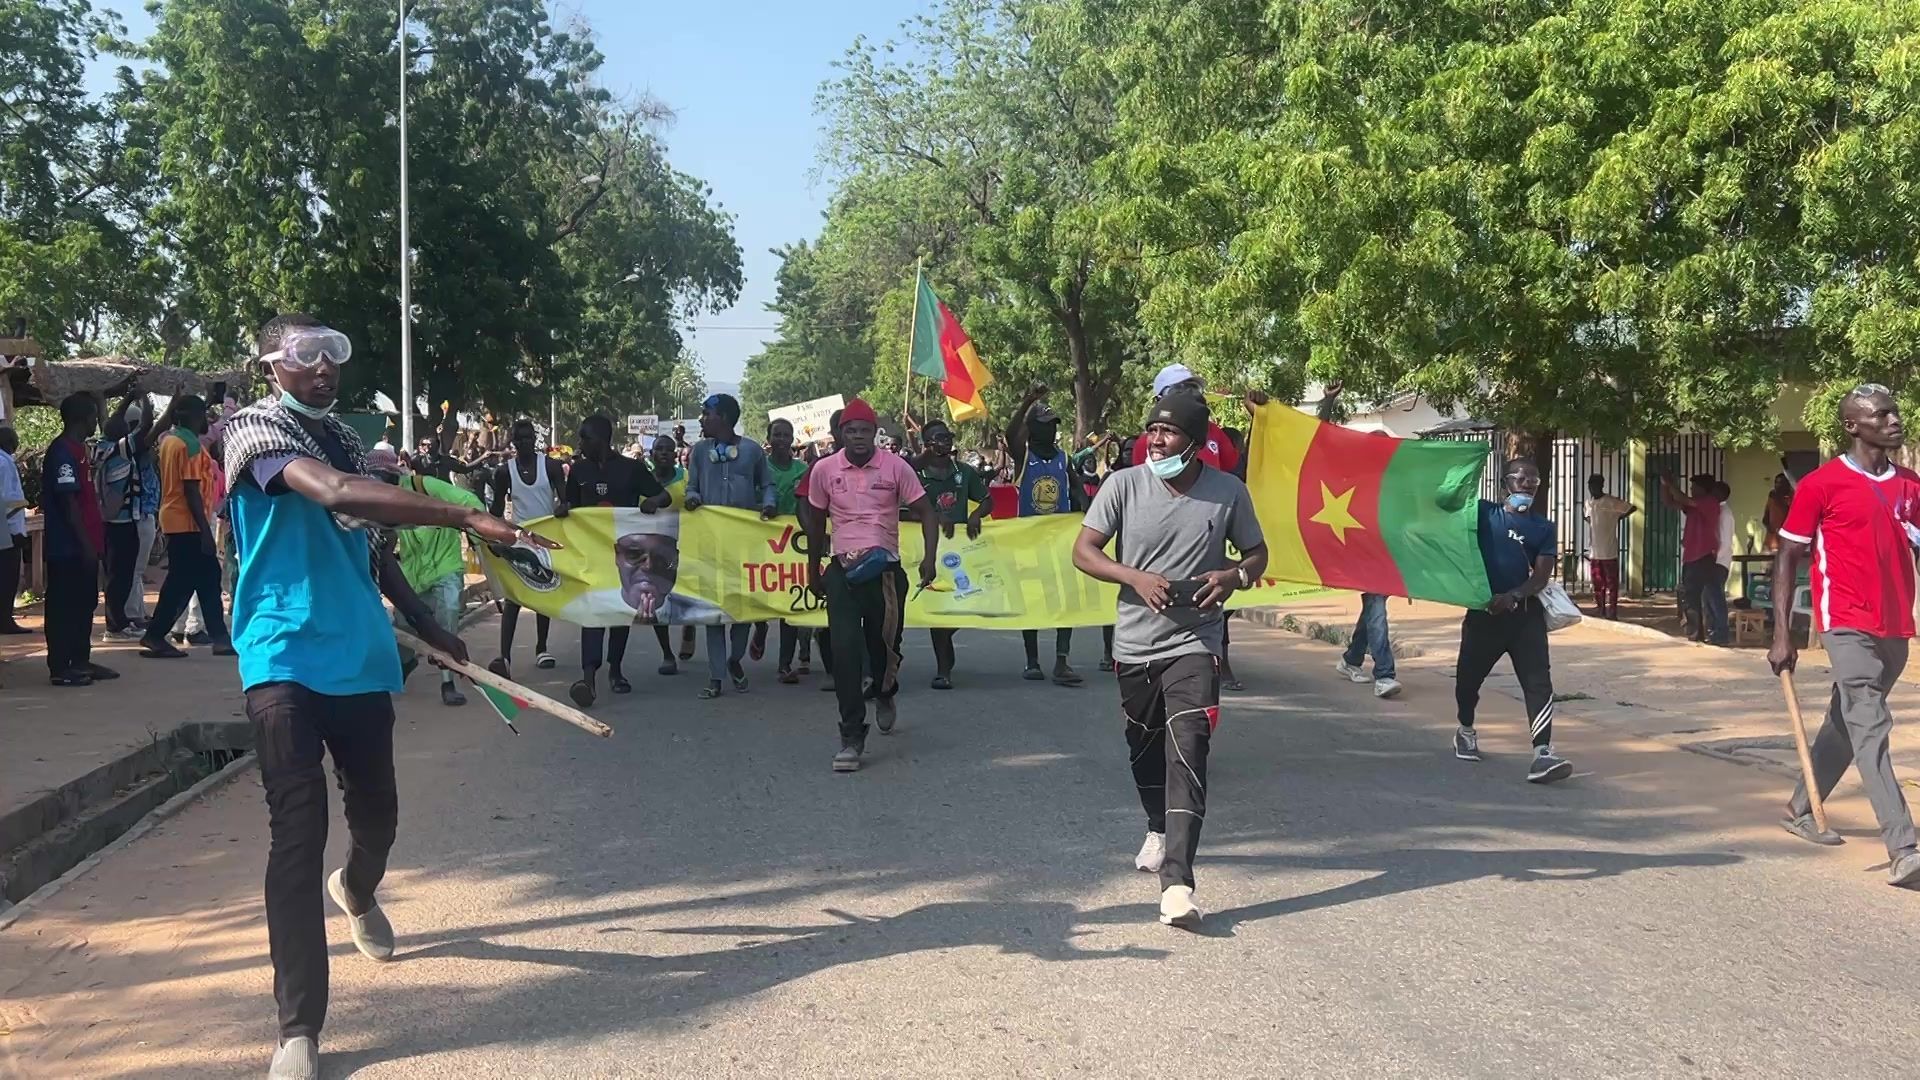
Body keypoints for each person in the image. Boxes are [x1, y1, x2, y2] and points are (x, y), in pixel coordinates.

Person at [224, 314, 546, 1080]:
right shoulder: (252, 433)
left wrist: (433, 625)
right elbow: (336, 494)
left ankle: (358, 890)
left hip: (363, 658)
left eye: (333, 352)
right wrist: (467, 514)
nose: (323, 368)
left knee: (379, 818)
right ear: (271, 365)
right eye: (305, 357)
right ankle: (297, 1028)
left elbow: (372, 542)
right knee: (295, 833)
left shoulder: (342, 439)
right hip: (281, 654)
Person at [1071, 391, 1268, 930]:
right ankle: (1157, 825)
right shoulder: (1123, 485)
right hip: (1135, 644)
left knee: (1190, 752)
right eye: (1151, 432)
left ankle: (1177, 883)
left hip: (1196, 644)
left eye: (1169, 433)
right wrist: (1134, 577)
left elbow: (1257, 554)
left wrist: (1234, 577)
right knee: (1143, 750)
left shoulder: (1228, 492)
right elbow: (1083, 551)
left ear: (1197, 440)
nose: (1155, 442)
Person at [1768, 384, 1920, 886]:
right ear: (1853, 426)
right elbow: (1788, 557)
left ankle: (1799, 805)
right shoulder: (1820, 484)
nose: (1895, 421)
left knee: (1846, 722)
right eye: (1882, 415)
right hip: (1845, 621)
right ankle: (1903, 844)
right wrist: (1782, 633)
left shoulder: (1910, 486)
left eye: (1896, 412)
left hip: (1896, 626)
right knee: (1871, 724)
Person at [805, 398, 938, 772]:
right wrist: (813, 568)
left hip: (885, 574)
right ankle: (850, 737)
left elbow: (927, 511)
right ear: (841, 434)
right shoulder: (824, 469)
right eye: (852, 431)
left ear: (874, 433)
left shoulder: (896, 467)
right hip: (842, 573)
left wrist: (929, 558)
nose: (859, 437)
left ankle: (884, 691)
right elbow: (816, 522)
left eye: (865, 430)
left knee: (885, 648)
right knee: (844, 650)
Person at [1453, 459, 1574, 783]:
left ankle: (1542, 753)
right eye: (1520, 478)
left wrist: (1515, 596)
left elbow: (1542, 576)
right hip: (1484, 615)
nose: (1527, 484)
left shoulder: (1543, 527)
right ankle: (1465, 729)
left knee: (1538, 684)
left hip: (1524, 618)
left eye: (1533, 479)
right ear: (1506, 482)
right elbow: (1445, 504)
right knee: (1467, 681)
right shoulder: (1483, 513)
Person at [566, 415, 669, 707]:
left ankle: (616, 669)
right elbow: (570, 506)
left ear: (600, 439)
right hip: (590, 554)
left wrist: (653, 503)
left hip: (626, 556)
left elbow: (663, 497)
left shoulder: (632, 469)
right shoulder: (578, 469)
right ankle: (588, 677)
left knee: (620, 611)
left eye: (584, 438)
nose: (581, 444)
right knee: (592, 613)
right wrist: (563, 508)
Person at [366, 448, 483, 706]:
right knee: (404, 629)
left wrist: (476, 539)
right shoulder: (380, 503)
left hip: (445, 565)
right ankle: (401, 671)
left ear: (392, 475)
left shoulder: (425, 486)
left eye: (381, 481)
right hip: (414, 574)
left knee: (447, 617)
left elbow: (470, 503)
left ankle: (448, 682)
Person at [683, 393, 775, 699]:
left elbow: (767, 484)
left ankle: (735, 659)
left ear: (722, 417)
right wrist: (693, 498)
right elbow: (692, 486)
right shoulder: (698, 452)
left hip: (744, 544)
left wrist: (769, 505)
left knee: (742, 607)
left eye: (706, 414)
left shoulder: (751, 451)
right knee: (711, 611)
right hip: (709, 543)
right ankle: (716, 675)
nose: (702, 420)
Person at [1005, 382, 1088, 685]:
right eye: (1044, 426)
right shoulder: (1023, 457)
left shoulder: (1064, 458)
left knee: (1064, 600)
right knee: (1032, 602)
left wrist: (1085, 505)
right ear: (1031, 429)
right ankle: (1032, 661)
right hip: (1029, 544)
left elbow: (1078, 488)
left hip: (1059, 542)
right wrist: (1027, 400)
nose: (1050, 431)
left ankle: (1062, 661)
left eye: (1053, 425)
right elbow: (1007, 434)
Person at [138, 395, 231, 658]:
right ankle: (156, 635)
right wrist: (204, 531)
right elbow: (191, 489)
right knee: (185, 580)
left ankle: (218, 636)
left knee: (205, 577)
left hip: (175, 518)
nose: (206, 420)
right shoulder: (189, 445)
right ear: (192, 415)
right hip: (188, 521)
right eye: (203, 414)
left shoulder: (169, 439)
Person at [40, 394, 117, 686]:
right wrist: (86, 545)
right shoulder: (62, 453)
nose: (97, 421)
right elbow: (69, 504)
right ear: (83, 418)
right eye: (94, 415)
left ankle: (81, 659)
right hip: (68, 547)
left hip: (85, 544)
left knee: (85, 603)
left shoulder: (80, 450)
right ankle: (61, 667)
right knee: (64, 606)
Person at [488, 419, 569, 678]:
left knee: (542, 592)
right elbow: (497, 509)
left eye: (527, 438)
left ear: (535, 439)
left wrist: (562, 508)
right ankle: (505, 656)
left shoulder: (552, 466)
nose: (523, 443)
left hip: (546, 540)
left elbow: (566, 501)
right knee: (513, 598)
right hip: (518, 539)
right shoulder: (504, 471)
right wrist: (491, 535)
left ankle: (542, 648)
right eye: (519, 439)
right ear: (513, 441)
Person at [914, 418, 990, 689]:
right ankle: (943, 669)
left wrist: (976, 515)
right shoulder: (916, 473)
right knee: (938, 610)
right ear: (927, 444)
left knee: (965, 603)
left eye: (947, 437)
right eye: (938, 438)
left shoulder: (965, 472)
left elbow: (987, 499)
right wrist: (933, 517)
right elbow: (901, 507)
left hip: (961, 550)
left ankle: (946, 651)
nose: (945, 442)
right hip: (928, 549)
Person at [755, 417, 814, 682]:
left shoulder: (802, 470)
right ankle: (759, 627)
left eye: (786, 435)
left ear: (793, 439)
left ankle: (784, 665)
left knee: (790, 603)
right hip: (761, 541)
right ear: (769, 439)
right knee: (759, 597)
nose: (781, 439)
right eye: (776, 435)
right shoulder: (760, 469)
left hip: (793, 544)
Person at [93, 396, 147, 640]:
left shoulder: (100, 447)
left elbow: (113, 422)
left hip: (109, 520)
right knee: (119, 575)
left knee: (115, 573)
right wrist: (145, 399)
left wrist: (128, 398)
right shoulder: (121, 450)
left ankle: (120, 621)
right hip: (120, 521)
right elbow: (147, 425)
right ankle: (115, 626)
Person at [644, 432, 695, 672]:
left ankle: (690, 627)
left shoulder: (685, 478)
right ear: (652, 454)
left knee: (689, 595)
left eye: (668, 449)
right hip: (653, 550)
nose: (663, 452)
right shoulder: (643, 480)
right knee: (656, 600)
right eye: (659, 449)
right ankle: (667, 654)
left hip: (686, 547)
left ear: (675, 455)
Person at [1662, 472, 1727, 644]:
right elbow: (1669, 502)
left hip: (1703, 556)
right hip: (1691, 556)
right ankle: (1695, 633)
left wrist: (1670, 484)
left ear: (1703, 489)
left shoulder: (1709, 503)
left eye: (1694, 487)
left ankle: (1707, 634)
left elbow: (1684, 499)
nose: (1691, 490)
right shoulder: (1695, 506)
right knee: (1691, 597)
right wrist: (1665, 486)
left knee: (1703, 596)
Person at [1585, 473, 1635, 620]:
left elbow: (1631, 508)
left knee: (1612, 585)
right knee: (1597, 584)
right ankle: (1600, 609)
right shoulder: (1589, 503)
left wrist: (1618, 518)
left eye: (1594, 485)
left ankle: (1612, 611)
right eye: (1590, 485)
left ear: (1601, 485)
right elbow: (1588, 517)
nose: (1591, 488)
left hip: (1609, 551)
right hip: (1594, 550)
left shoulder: (1611, 502)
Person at [0, 425, 28, 634]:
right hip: (7, 532)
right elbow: (7, 500)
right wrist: (13, 530)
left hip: (8, 530)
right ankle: (5, 620)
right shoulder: (3, 463)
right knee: (8, 577)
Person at [1762, 467, 1796, 552]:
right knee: (1766, 563)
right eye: (1776, 482)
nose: (1777, 485)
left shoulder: (1792, 497)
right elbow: (1766, 514)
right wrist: (1768, 526)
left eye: (1781, 483)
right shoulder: (1773, 495)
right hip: (1771, 538)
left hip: (1785, 539)